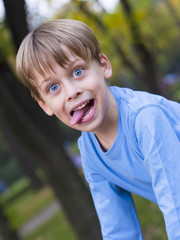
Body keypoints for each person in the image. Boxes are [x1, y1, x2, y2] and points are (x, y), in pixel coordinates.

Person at [16, 19, 180, 240]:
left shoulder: (145, 119)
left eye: (77, 72)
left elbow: (177, 207)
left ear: (103, 66)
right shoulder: (90, 151)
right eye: (53, 87)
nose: (71, 92)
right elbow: (118, 230)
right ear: (44, 105)